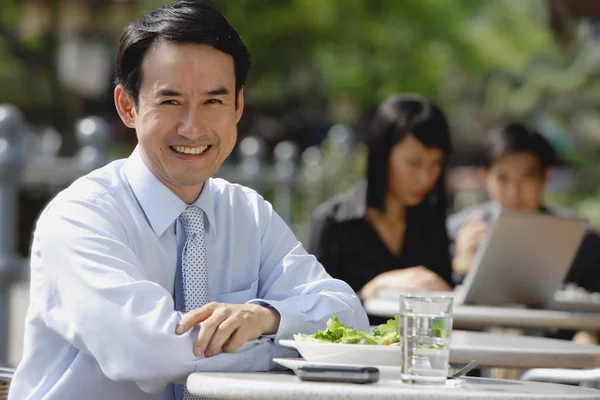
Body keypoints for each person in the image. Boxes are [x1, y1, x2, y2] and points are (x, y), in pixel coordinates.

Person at [8, 2, 369, 399]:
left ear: (238, 106)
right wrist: (291, 347)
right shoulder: (81, 218)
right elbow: (152, 352)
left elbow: (347, 316)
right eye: (171, 101)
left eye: (213, 101)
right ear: (128, 106)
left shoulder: (248, 214)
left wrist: (265, 316)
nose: (192, 127)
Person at [447, 123, 600, 342]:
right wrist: (460, 265)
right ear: (485, 177)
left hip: (554, 355)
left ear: (545, 176)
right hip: (476, 355)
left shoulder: (580, 238)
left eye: (526, 177)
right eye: (503, 178)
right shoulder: (458, 230)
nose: (514, 191)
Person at [308, 93, 454, 312]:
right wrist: (376, 287)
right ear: (381, 156)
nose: (426, 178)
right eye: (414, 163)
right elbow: (313, 310)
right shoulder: (333, 223)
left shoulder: (430, 222)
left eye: (436, 164)